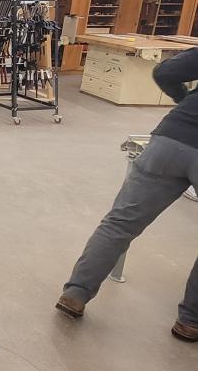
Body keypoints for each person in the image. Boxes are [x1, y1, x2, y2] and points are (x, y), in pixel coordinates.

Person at [56, 47, 198, 342]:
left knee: (120, 223)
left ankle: (75, 293)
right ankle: (191, 321)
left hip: (172, 138)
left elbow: (165, 71)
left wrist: (186, 100)